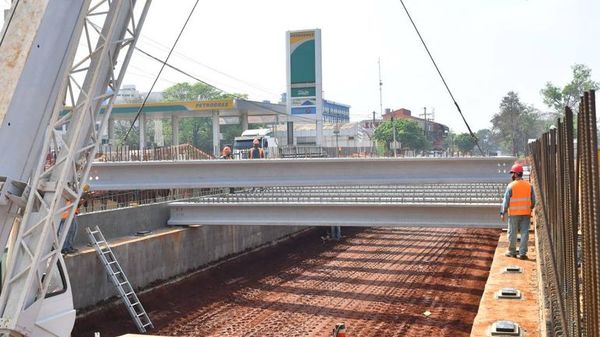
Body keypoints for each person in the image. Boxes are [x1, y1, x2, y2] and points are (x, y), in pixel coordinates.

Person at [500, 163, 536, 259]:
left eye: (513, 173)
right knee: (525, 233)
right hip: (526, 214)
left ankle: (512, 252)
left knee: (512, 233)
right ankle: (523, 253)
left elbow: (506, 201)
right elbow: (534, 201)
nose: (512, 175)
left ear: (516, 174)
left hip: (514, 215)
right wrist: (530, 208)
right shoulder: (529, 186)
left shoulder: (511, 186)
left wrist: (503, 212)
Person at [59, 184, 90, 254]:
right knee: (67, 232)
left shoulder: (72, 193)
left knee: (72, 231)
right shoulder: (66, 193)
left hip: (71, 214)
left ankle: (68, 246)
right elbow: (73, 202)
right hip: (66, 214)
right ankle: (64, 248)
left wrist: (83, 200)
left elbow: (77, 204)